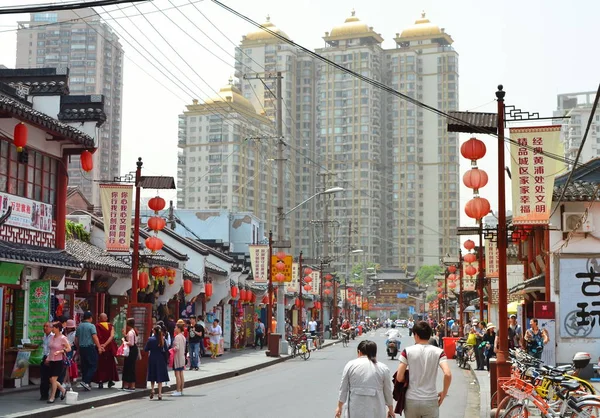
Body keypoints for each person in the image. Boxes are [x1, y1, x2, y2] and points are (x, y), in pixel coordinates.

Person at [396, 321, 452, 418]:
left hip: (411, 399)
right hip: (430, 400)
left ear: (416, 335)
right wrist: (444, 393)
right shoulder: (439, 352)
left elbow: (399, 377)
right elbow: (447, 374)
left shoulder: (407, 351)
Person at [335, 340, 394, 418]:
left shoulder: (350, 365)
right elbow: (388, 391)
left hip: (354, 411)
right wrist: (390, 409)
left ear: (359, 352)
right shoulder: (383, 368)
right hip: (376, 411)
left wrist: (339, 407)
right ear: (375, 353)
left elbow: (343, 389)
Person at [75, 311, 103, 391]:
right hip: (90, 347)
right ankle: (86, 382)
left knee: (85, 365)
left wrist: (78, 347)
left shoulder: (79, 326)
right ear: (90, 318)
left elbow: (76, 339)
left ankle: (85, 382)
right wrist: (99, 347)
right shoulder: (91, 326)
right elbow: (94, 337)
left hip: (82, 348)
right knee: (93, 365)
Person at [47, 322, 71, 403]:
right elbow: (50, 349)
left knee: (53, 379)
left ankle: (52, 397)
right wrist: (47, 358)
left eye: (53, 327)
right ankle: (63, 390)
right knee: (51, 379)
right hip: (51, 359)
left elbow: (69, 348)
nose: (52, 329)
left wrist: (60, 351)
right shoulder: (52, 337)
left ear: (57, 328)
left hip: (58, 360)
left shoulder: (63, 338)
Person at [93, 313, 119, 389]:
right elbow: (112, 336)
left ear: (99, 318)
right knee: (110, 365)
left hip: (100, 348)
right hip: (109, 348)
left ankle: (100, 381)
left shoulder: (97, 326)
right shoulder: (111, 326)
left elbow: (96, 337)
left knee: (100, 365)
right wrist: (106, 344)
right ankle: (110, 380)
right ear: (106, 318)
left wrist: (101, 345)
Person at [145, 325, 169, 400]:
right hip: (160, 358)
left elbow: (146, 349)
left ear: (154, 331)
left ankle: (152, 389)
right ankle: (159, 394)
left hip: (152, 358)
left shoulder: (150, 339)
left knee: (152, 374)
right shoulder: (162, 339)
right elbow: (166, 349)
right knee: (159, 376)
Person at [121, 318, 138, 392]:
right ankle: (129, 385)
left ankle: (130, 386)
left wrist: (124, 341)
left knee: (129, 368)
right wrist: (124, 335)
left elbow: (131, 343)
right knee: (130, 367)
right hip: (133, 350)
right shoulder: (133, 331)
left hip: (131, 351)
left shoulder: (131, 332)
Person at [171, 323, 186, 397]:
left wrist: (171, 349)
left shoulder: (177, 337)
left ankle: (178, 390)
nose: (174, 329)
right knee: (181, 373)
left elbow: (177, 347)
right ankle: (181, 390)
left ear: (179, 329)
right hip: (182, 357)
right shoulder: (183, 337)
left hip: (177, 357)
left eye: (175, 327)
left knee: (177, 374)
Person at [40, 322, 53, 401]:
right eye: (44, 326)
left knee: (50, 378)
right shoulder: (44, 336)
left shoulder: (53, 336)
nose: (45, 328)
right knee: (43, 378)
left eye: (47, 326)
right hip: (44, 357)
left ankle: (56, 393)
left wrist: (48, 358)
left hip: (50, 357)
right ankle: (43, 395)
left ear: (51, 328)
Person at [63, 320, 77, 390]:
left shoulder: (74, 334)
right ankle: (68, 382)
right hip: (66, 349)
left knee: (66, 366)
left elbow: (74, 343)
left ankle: (65, 382)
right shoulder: (66, 333)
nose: (68, 328)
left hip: (70, 350)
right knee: (67, 366)